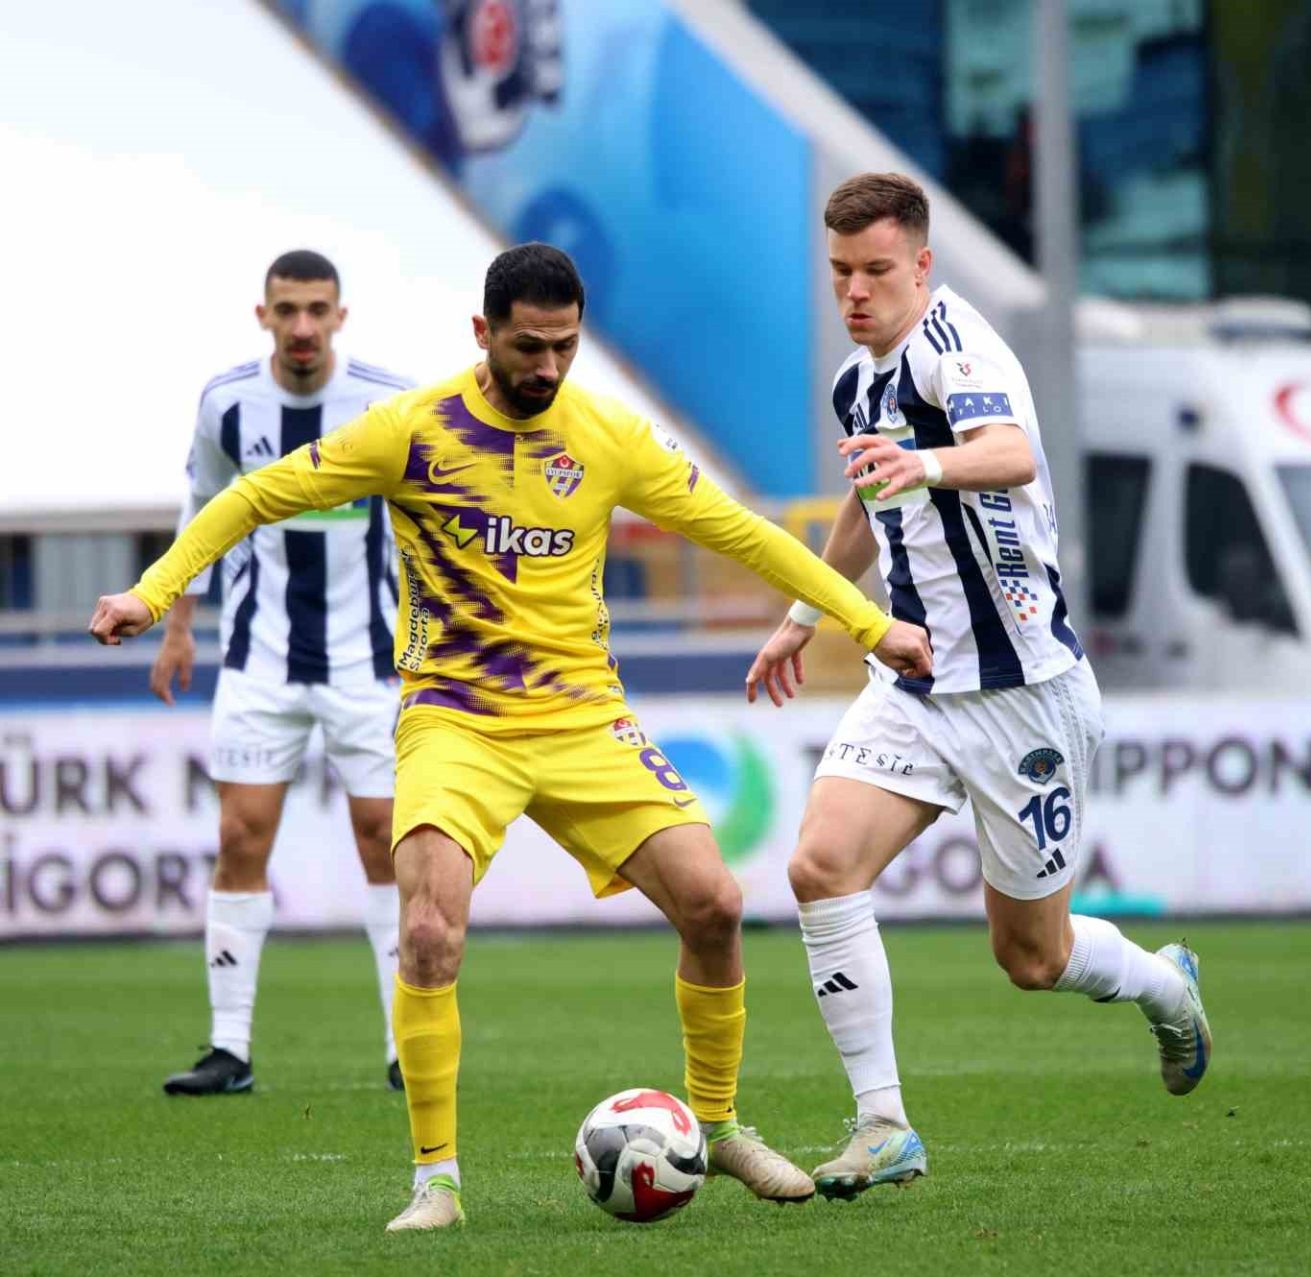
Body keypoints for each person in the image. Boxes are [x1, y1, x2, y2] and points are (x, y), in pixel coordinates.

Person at [91, 243, 933, 1232]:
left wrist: (867, 621)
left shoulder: (607, 434)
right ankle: (437, 1182)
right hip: (455, 720)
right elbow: (253, 494)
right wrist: (153, 593)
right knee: (429, 929)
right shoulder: (411, 430)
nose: (548, 366)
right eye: (529, 346)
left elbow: (738, 531)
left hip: (583, 718)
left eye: (565, 346)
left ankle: (717, 1124)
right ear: (482, 333)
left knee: (715, 902)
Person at [744, 172, 1213, 1200]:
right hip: (915, 682)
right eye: (840, 271)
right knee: (820, 865)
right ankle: (883, 1125)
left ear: (921, 265)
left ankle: (1164, 984)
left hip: (1023, 694)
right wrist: (803, 614)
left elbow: (1009, 453)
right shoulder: (856, 382)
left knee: (1033, 957)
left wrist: (924, 463)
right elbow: (866, 506)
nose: (855, 291)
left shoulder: (959, 351)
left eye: (876, 270)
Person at [154, 250, 411, 1097]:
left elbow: (434, 509)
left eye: (317, 309)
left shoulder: (388, 401)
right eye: (288, 309)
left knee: (386, 838)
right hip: (259, 656)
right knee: (240, 836)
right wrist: (179, 626)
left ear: (341, 316)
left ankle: (406, 1044)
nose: (303, 326)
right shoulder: (227, 403)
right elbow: (202, 507)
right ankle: (229, 1049)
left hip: (369, 660)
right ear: (262, 315)